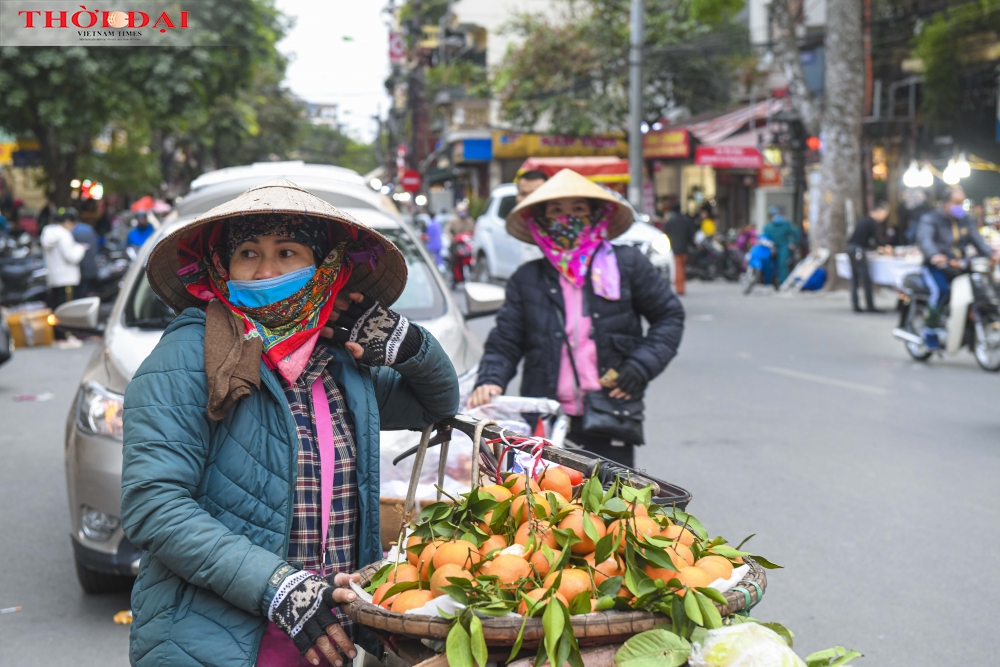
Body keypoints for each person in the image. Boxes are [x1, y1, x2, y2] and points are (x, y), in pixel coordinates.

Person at [120, 179, 459, 667]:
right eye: (248, 254)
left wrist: (409, 345)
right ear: (222, 267)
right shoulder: (185, 358)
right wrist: (279, 588)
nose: (266, 270)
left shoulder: (342, 363)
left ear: (323, 269)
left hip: (333, 629)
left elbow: (437, 405)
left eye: (288, 252)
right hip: (221, 640)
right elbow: (155, 506)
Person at [466, 169, 684, 467]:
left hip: (610, 416)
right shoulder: (527, 278)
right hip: (547, 422)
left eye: (578, 210)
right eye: (556, 211)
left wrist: (640, 367)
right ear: (542, 221)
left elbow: (669, 316)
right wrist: (490, 380)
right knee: (547, 509)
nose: (567, 219)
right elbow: (505, 342)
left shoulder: (628, 265)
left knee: (614, 508)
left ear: (596, 216)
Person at [916, 185, 997, 348]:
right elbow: (925, 240)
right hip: (937, 267)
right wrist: (935, 256)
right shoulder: (931, 219)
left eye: (962, 202)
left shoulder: (966, 220)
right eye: (956, 202)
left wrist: (991, 253)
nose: (960, 206)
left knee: (981, 290)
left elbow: (978, 241)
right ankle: (930, 331)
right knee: (940, 291)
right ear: (946, 203)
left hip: (959, 267)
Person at [41, 208, 87, 341]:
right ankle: (67, 336)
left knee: (57, 308)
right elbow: (72, 257)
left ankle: (58, 336)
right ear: (67, 222)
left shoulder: (48, 233)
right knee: (66, 309)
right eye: (73, 224)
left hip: (54, 278)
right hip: (67, 278)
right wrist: (80, 248)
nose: (73, 228)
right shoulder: (64, 235)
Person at [847, 201, 890, 313]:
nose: (884, 218)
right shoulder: (872, 222)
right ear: (879, 211)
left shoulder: (864, 220)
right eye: (884, 214)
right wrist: (884, 248)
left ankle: (856, 305)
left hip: (851, 249)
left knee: (855, 278)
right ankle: (870, 306)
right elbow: (876, 241)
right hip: (858, 251)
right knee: (865, 278)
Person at [663, 203, 696, 295]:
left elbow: (665, 234)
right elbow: (691, 235)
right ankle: (681, 287)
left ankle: (680, 288)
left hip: (674, 248)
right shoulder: (686, 221)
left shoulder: (670, 222)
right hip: (684, 248)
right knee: (682, 268)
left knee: (678, 269)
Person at [763, 206, 800, 285]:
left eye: (776, 215)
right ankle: (768, 281)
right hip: (772, 247)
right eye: (773, 216)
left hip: (783, 247)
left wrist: (792, 243)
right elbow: (764, 237)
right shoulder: (768, 227)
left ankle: (783, 282)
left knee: (782, 263)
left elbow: (796, 233)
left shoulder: (786, 224)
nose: (775, 217)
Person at [71, 208, 100, 299]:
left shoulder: (72, 232)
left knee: (80, 295)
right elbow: (97, 245)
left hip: (81, 270)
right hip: (92, 267)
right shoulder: (88, 228)